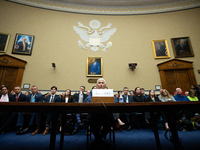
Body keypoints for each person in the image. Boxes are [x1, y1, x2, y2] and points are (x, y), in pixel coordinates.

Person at [84, 78, 113, 147]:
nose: (101, 84)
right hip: (95, 114)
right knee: (92, 121)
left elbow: (115, 101)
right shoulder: (92, 92)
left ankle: (99, 139)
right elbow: (87, 101)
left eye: (102, 83)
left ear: (105, 85)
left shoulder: (108, 92)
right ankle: (99, 140)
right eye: (99, 83)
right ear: (97, 85)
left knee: (111, 120)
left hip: (105, 114)